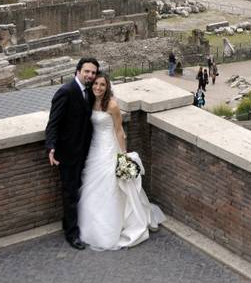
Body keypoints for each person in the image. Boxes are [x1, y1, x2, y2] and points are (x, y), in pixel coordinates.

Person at [77, 73, 164, 250]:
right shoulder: (89, 101)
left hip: (109, 149)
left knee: (111, 186)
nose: (98, 87)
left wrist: (123, 155)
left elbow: (119, 131)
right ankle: (91, 224)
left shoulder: (112, 105)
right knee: (92, 187)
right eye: (96, 84)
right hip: (94, 148)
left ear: (107, 87)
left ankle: (115, 226)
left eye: (102, 85)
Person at [45, 58, 98, 250]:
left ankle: (70, 223)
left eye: (93, 72)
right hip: (67, 154)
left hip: (85, 151)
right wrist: (51, 146)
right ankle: (72, 234)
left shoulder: (90, 92)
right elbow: (53, 122)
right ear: (78, 71)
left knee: (80, 190)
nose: (90, 75)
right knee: (70, 193)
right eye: (87, 71)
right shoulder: (65, 91)